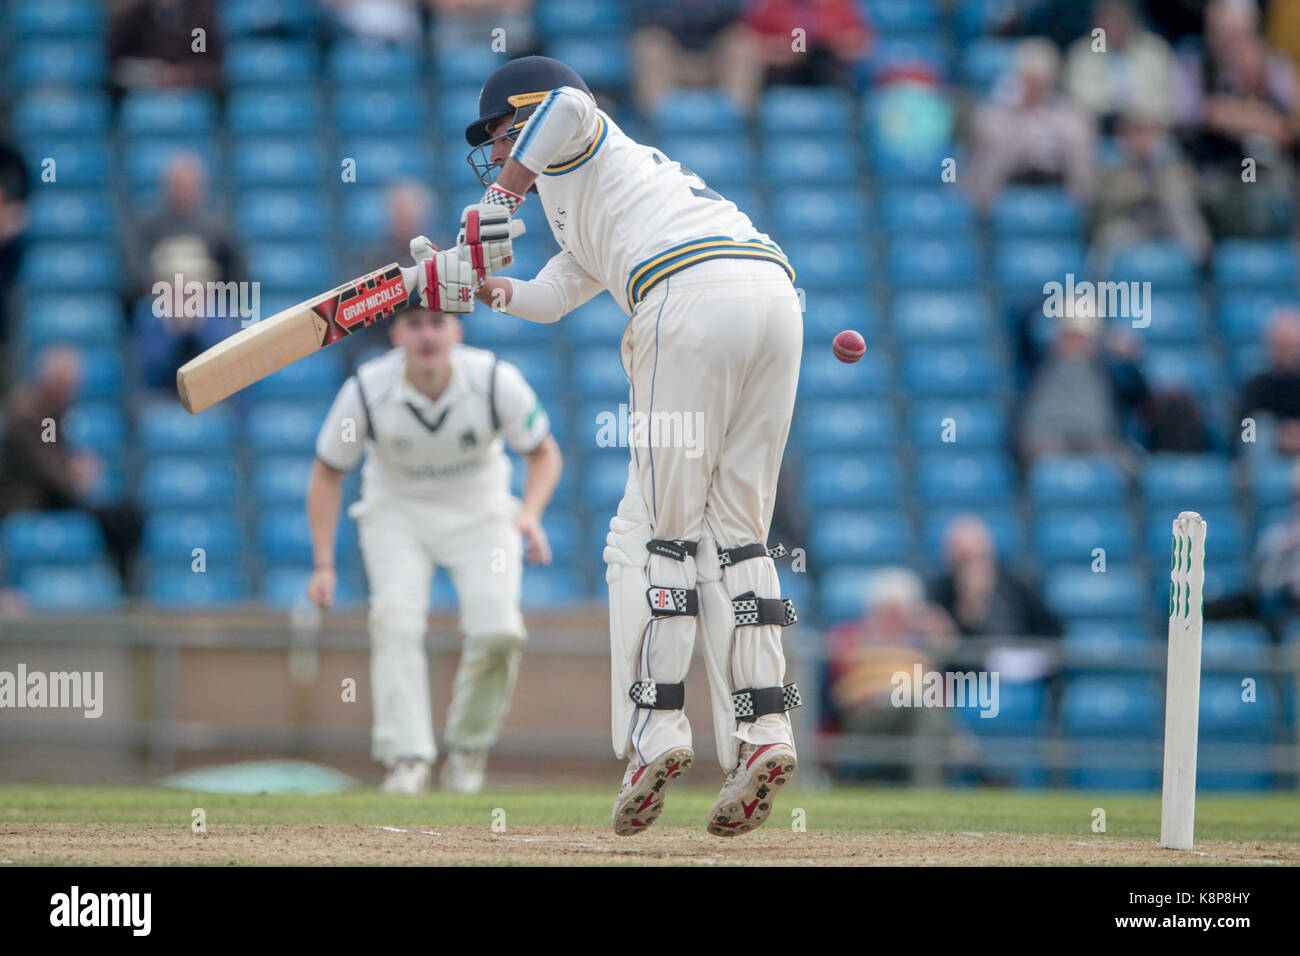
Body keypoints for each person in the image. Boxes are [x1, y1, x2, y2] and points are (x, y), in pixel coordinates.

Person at [441, 56, 803, 838]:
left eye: (499, 138)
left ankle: (659, 735)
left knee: (661, 532)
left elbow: (569, 105)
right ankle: (766, 732)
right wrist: (476, 286)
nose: (497, 157)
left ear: (524, 117)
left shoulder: (576, 136)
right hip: (773, 297)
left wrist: (501, 193)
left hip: (689, 296)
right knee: (739, 536)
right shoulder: (595, 200)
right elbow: (552, 295)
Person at [305, 307, 563, 794]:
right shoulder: (365, 389)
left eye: (437, 323)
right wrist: (323, 563)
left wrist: (528, 514)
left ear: (456, 331)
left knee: (500, 631)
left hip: (482, 513)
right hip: (396, 514)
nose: (427, 335)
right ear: (396, 333)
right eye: (415, 324)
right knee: (396, 622)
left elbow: (543, 452)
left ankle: (467, 750)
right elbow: (327, 472)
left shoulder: (493, 379)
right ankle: (407, 759)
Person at [0, 347, 142, 586]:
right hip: (32, 502)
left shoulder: (48, 412)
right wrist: (76, 473)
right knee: (122, 520)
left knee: (124, 515)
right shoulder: (32, 415)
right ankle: (122, 584)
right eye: (66, 384)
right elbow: (50, 471)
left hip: (47, 496)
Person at [125, 153, 247, 390]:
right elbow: (135, 272)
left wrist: (199, 297)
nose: (183, 191)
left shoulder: (217, 229)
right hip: (160, 304)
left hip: (206, 304)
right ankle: (152, 398)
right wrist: (169, 295)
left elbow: (237, 274)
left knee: (227, 328)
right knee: (150, 326)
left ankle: (226, 395)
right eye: (177, 185)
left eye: (189, 185)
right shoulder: (148, 228)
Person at [964, 38, 1096, 212]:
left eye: (1039, 81)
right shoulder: (991, 114)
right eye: (1028, 79)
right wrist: (1018, 116)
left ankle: (1083, 219)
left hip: (1055, 184)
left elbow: (1079, 157)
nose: (1033, 87)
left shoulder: (1070, 116)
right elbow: (990, 150)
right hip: (1007, 185)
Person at [926, 516, 1062, 640]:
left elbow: (1050, 628)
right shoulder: (941, 591)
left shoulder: (1016, 583)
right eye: (965, 559)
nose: (973, 568)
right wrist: (970, 607)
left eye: (978, 557)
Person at [1239, 309, 1300, 457]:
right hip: (1267, 455)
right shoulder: (1257, 385)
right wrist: (1277, 434)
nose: (1285, 351)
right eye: (1280, 345)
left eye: (1290, 345)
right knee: (1260, 427)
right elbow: (1244, 427)